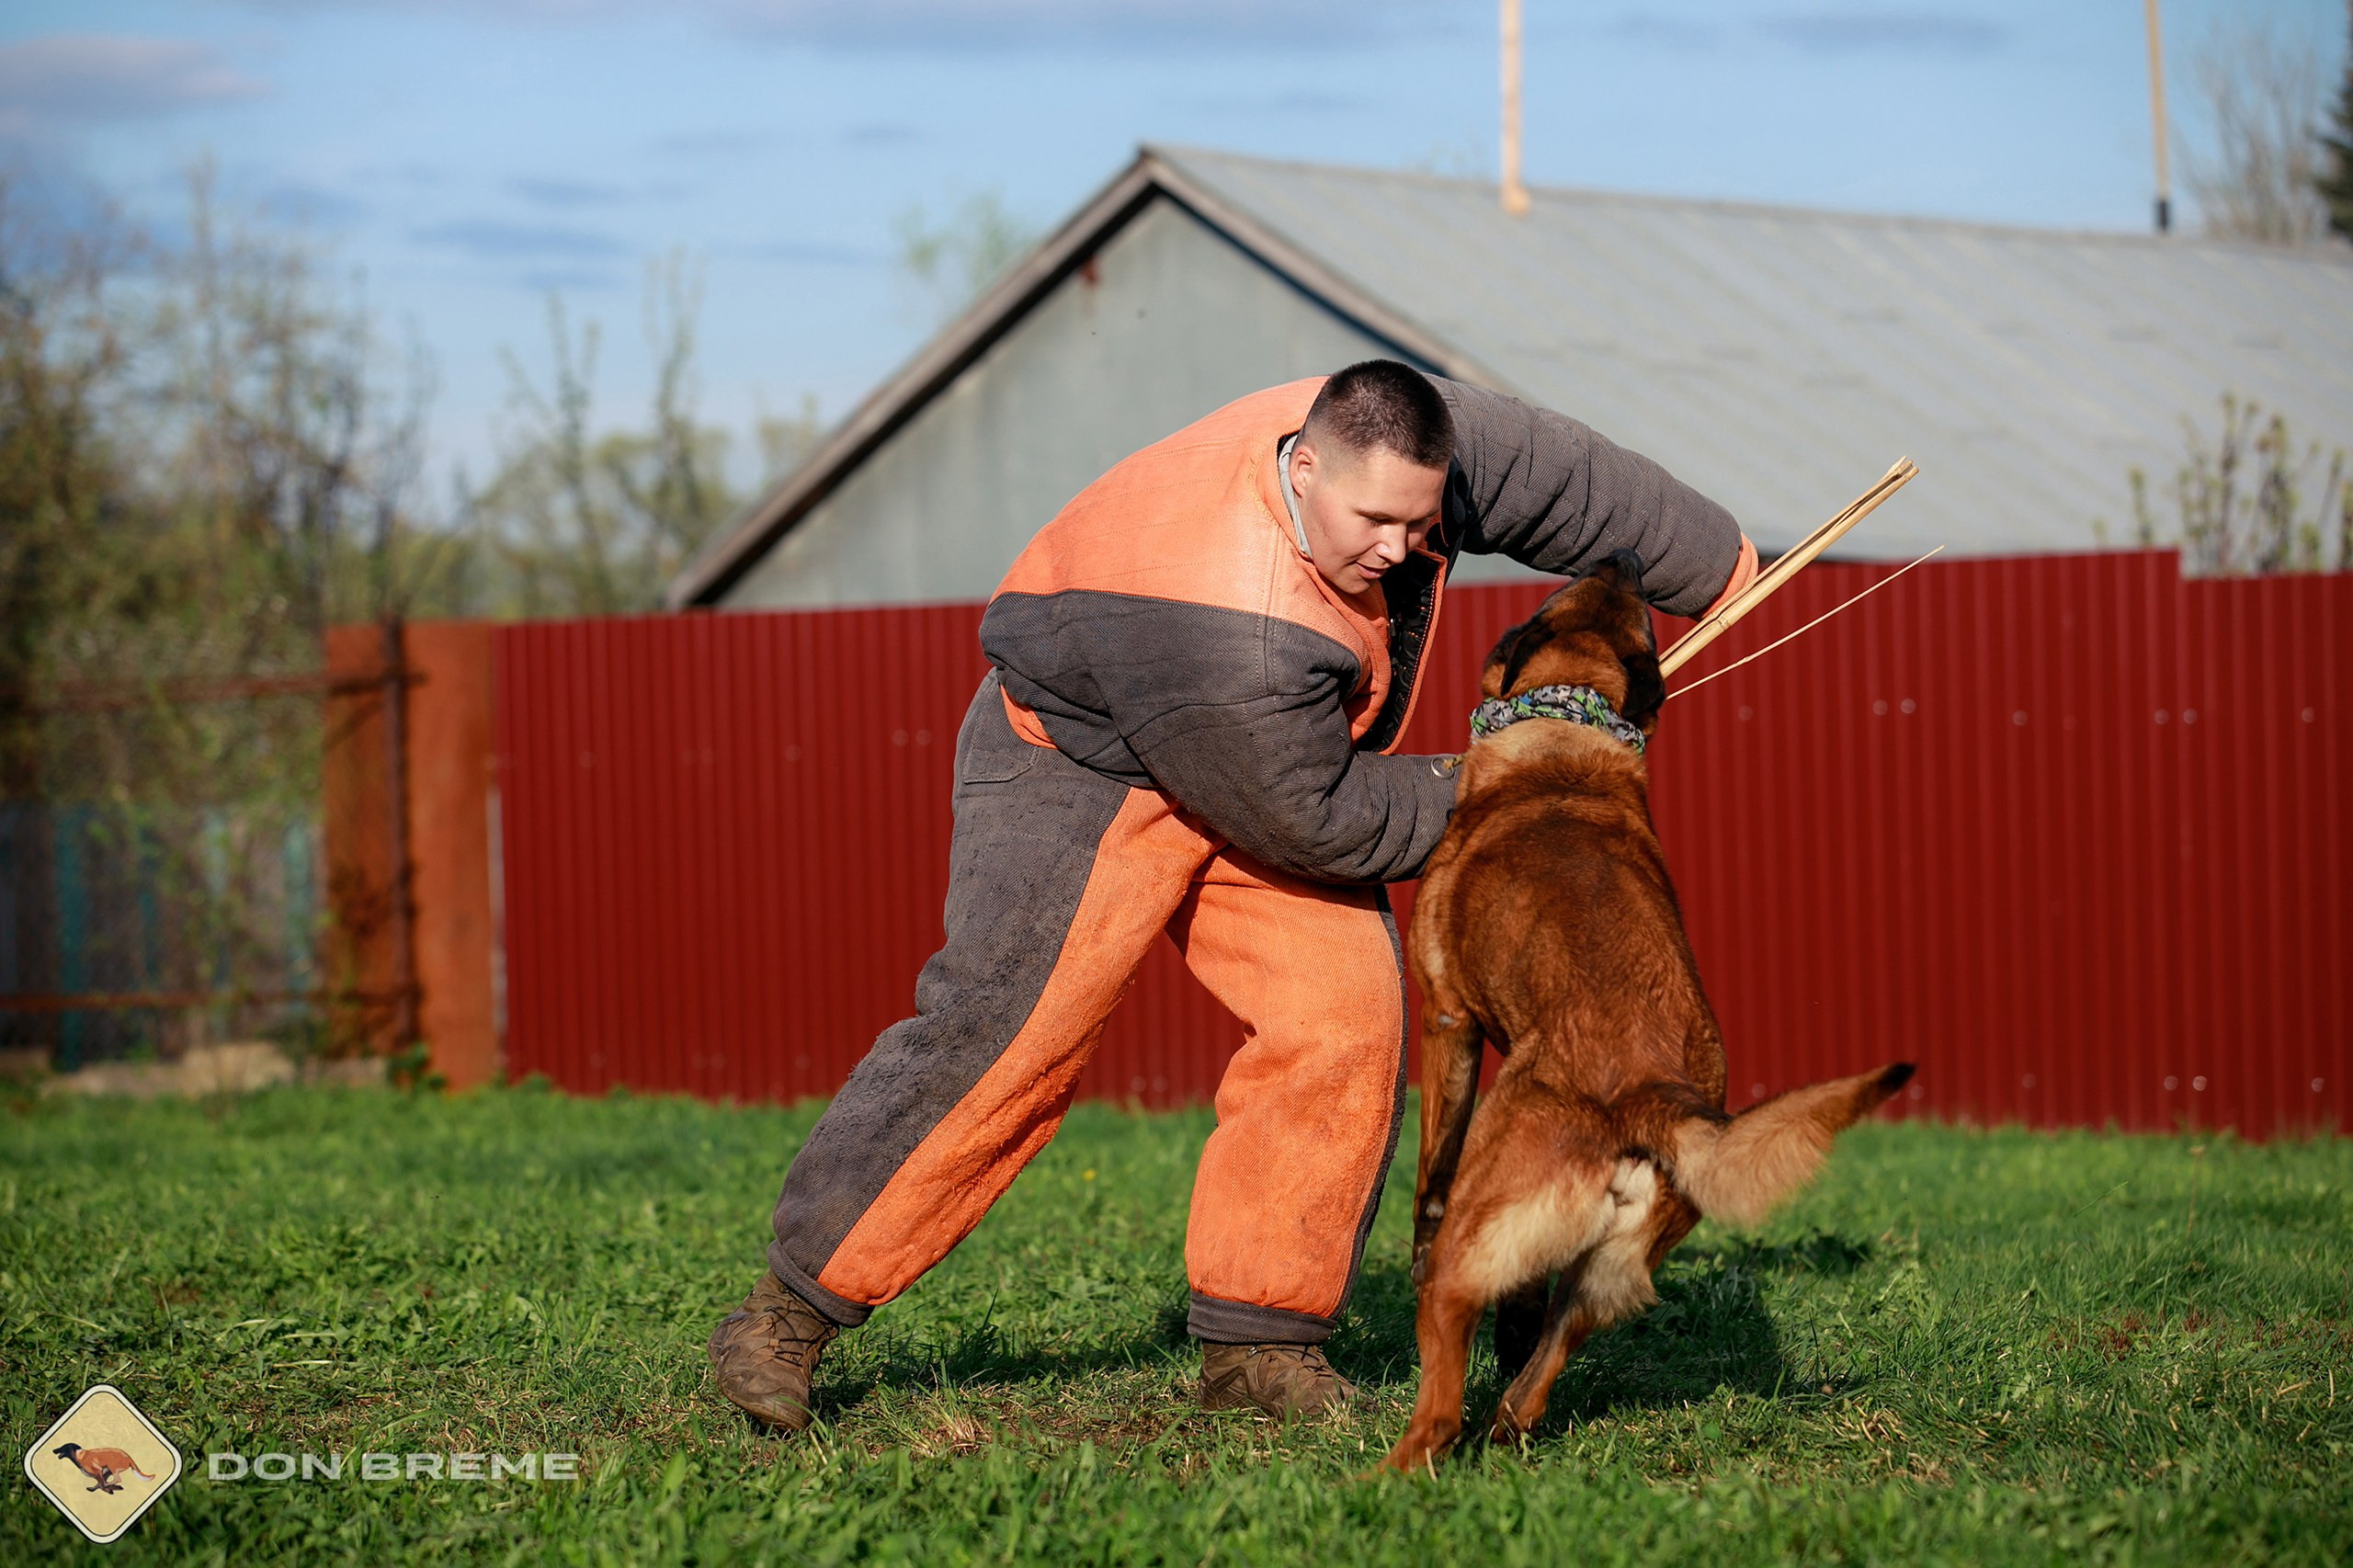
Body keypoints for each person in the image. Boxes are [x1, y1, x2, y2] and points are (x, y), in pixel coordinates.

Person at [708, 360, 1756, 1427]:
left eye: (1418, 517)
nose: (1398, 547)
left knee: (1342, 1020)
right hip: (1084, 762)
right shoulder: (1235, 616)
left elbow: (1556, 473)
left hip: (1274, 758)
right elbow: (1319, 817)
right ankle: (786, 1315)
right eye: (1372, 521)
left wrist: (1720, 565)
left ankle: (1260, 1345)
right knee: (1008, 1035)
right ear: (1305, 469)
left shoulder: (1385, 436)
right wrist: (1507, 772)